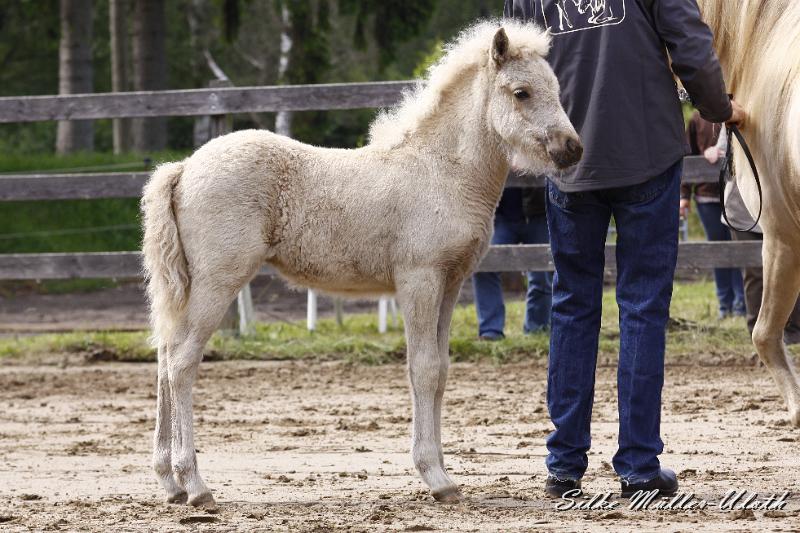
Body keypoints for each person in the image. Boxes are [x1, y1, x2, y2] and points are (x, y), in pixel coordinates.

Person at [504, 0, 747, 498]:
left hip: (568, 162)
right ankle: (638, 467)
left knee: (571, 306)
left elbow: (513, 66)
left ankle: (564, 464)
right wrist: (718, 109)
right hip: (646, 153)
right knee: (643, 309)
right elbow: (691, 48)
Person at [719, 129, 800, 344]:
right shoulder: (733, 119)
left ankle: (792, 332)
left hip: (780, 212)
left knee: (791, 268)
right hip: (743, 212)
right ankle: (756, 329)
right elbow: (721, 151)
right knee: (754, 274)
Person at [680, 112, 746, 319]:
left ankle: (741, 305)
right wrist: (684, 196)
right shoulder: (696, 120)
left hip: (736, 195)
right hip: (706, 195)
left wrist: (720, 150)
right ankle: (724, 304)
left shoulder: (737, 113)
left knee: (737, 249)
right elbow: (687, 156)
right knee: (717, 248)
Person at [472, 180, 553, 340]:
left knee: (543, 273)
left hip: (538, 212)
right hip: (498, 214)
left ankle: (537, 329)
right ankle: (491, 331)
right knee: (484, 265)